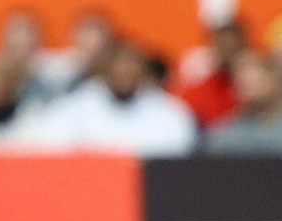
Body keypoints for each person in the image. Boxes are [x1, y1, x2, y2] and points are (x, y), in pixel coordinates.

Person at [28, 42, 199, 155]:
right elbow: (50, 148)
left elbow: (177, 155)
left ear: (143, 70)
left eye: (130, 65)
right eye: (117, 64)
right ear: (103, 68)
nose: (124, 71)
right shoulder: (72, 109)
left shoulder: (170, 113)